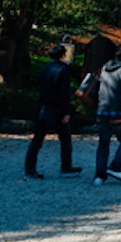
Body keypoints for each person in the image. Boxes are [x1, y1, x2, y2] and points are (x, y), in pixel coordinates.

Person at [25, 44, 82, 179]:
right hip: (57, 109)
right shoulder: (63, 70)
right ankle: (66, 167)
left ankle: (30, 169)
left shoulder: (45, 69)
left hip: (43, 107)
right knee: (65, 139)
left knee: (37, 140)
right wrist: (66, 111)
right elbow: (63, 93)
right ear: (63, 55)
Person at [93, 44, 121, 185]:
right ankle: (115, 166)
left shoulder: (105, 68)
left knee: (103, 143)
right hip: (117, 112)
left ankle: (99, 176)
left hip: (102, 110)